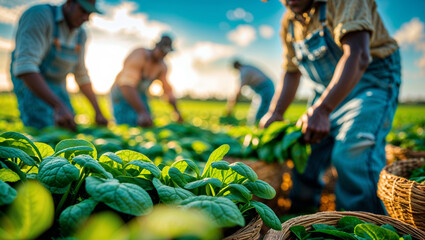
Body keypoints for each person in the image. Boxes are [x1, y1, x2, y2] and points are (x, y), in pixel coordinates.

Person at [260, 0, 400, 214]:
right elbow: (291, 70)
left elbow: (358, 55)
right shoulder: (289, 22)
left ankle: (362, 226)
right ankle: (302, 219)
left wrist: (323, 109)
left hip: (371, 83)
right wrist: (275, 112)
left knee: (352, 152)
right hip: (327, 91)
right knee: (305, 152)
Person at [10, 0, 108, 131]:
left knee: (68, 125)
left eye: (89, 13)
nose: (86, 18)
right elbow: (26, 66)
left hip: (58, 83)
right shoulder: (39, 15)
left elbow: (81, 74)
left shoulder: (81, 34)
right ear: (69, 3)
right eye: (83, 10)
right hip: (32, 80)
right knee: (41, 127)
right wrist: (58, 106)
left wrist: (98, 111)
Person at [110, 35, 183, 127]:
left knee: (146, 123)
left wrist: (176, 111)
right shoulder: (139, 55)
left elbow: (167, 90)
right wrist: (142, 112)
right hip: (122, 92)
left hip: (140, 95)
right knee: (125, 123)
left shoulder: (162, 67)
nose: (162, 54)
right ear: (156, 46)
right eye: (161, 50)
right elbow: (126, 84)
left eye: (165, 53)